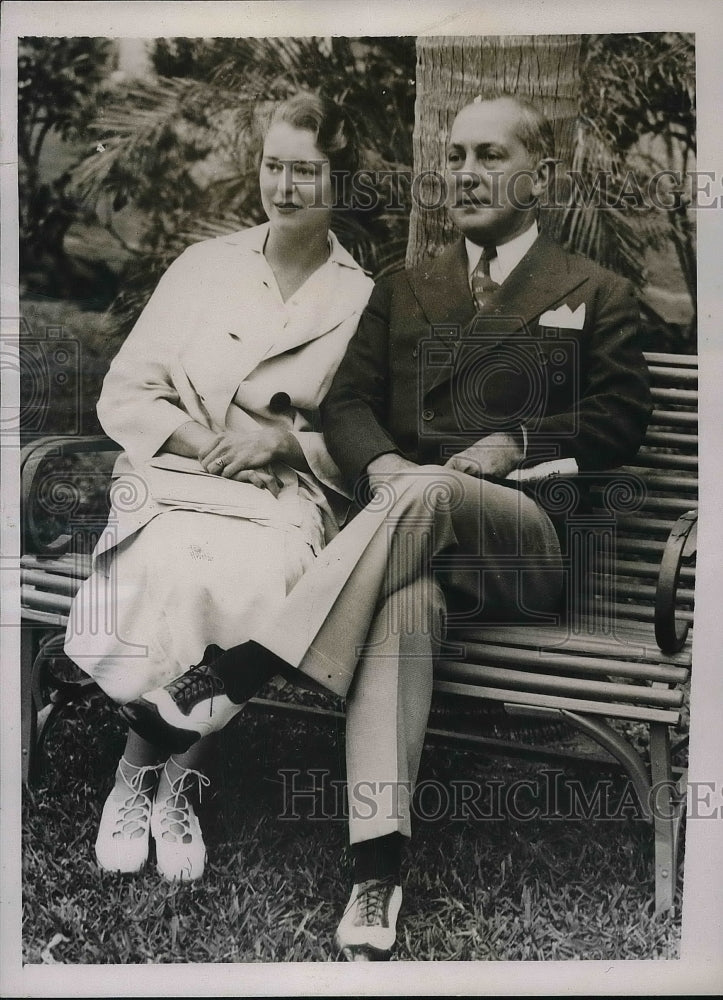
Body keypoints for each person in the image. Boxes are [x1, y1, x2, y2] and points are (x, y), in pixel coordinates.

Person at [119, 94, 652, 957]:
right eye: (454, 156)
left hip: (526, 550)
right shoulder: (407, 287)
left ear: (540, 178)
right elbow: (349, 402)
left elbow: (623, 415)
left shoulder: (594, 291)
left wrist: (517, 441)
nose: (465, 174)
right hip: (411, 548)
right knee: (405, 599)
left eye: (487, 156)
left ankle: (240, 670)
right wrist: (378, 467)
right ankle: (376, 876)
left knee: (432, 490)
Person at [63, 93, 374, 884]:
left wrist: (283, 442)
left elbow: (366, 432)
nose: (285, 186)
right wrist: (206, 443)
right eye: (274, 166)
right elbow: (125, 392)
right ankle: (142, 782)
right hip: (177, 474)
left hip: (283, 494)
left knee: (254, 578)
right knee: (174, 567)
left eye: (306, 171)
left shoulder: (360, 299)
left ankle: (168, 784)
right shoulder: (204, 267)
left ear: (339, 182)